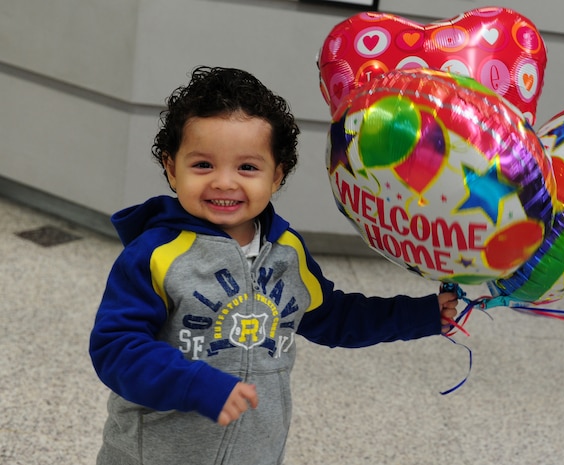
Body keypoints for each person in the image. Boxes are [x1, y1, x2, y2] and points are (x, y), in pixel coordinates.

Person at [89, 66, 458, 465]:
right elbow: (117, 348)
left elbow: (334, 316)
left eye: (247, 167)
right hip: (156, 455)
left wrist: (420, 315)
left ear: (276, 175)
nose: (225, 182)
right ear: (171, 168)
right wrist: (195, 383)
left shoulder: (287, 252)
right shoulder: (156, 254)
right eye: (203, 166)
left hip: (255, 452)